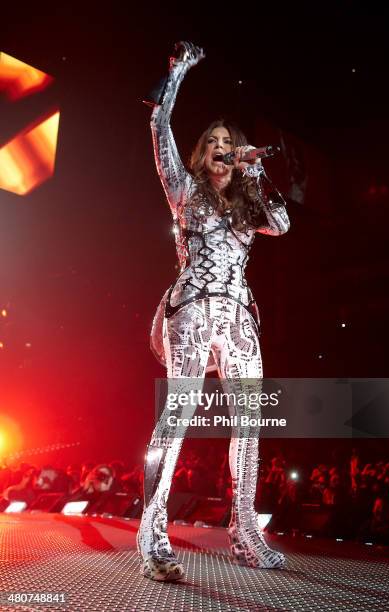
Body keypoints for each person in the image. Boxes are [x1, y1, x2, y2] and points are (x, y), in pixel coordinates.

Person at [137, 41, 290, 582]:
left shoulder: (248, 202)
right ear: (203, 152)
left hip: (239, 315)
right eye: (215, 143)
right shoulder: (184, 189)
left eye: (232, 143)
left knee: (249, 424)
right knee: (178, 417)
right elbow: (160, 130)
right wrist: (175, 73)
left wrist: (252, 175)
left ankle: (246, 533)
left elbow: (282, 224)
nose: (223, 148)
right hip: (193, 309)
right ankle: (152, 533)